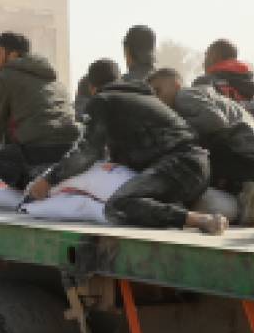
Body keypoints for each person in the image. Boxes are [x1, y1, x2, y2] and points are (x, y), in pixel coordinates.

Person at [26, 78, 226, 234]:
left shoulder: (101, 101)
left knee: (119, 205)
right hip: (196, 167)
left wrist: (50, 179)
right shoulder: (139, 100)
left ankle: (198, 220)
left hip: (179, 165)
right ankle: (184, 213)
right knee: (138, 200)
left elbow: (87, 152)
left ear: (93, 89)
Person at [151, 69, 254, 223]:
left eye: (158, 90)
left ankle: (251, 196)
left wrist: (178, 129)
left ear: (176, 84)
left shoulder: (184, 95)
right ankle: (251, 199)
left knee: (193, 163)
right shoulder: (203, 95)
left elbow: (216, 122)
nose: (157, 98)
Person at [0, 31, 82, 189]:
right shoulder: (54, 80)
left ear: (12, 55)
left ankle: (30, 189)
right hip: (70, 147)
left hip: (39, 149)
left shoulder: (5, 76)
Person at [194, 38, 254, 128]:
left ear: (215, 56)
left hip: (225, 140)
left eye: (206, 55)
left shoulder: (205, 83)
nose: (203, 63)